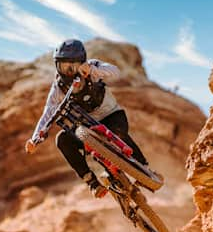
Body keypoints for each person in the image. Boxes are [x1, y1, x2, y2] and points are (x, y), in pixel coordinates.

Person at [25, 39, 148, 198]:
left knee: (118, 132)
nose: (69, 71)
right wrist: (35, 139)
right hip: (87, 128)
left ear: (82, 61)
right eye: (64, 66)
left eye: (73, 66)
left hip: (111, 115)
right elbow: (48, 113)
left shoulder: (92, 68)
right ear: (57, 66)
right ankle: (92, 182)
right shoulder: (58, 87)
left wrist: (92, 70)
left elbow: (115, 71)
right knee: (62, 139)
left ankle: (144, 168)